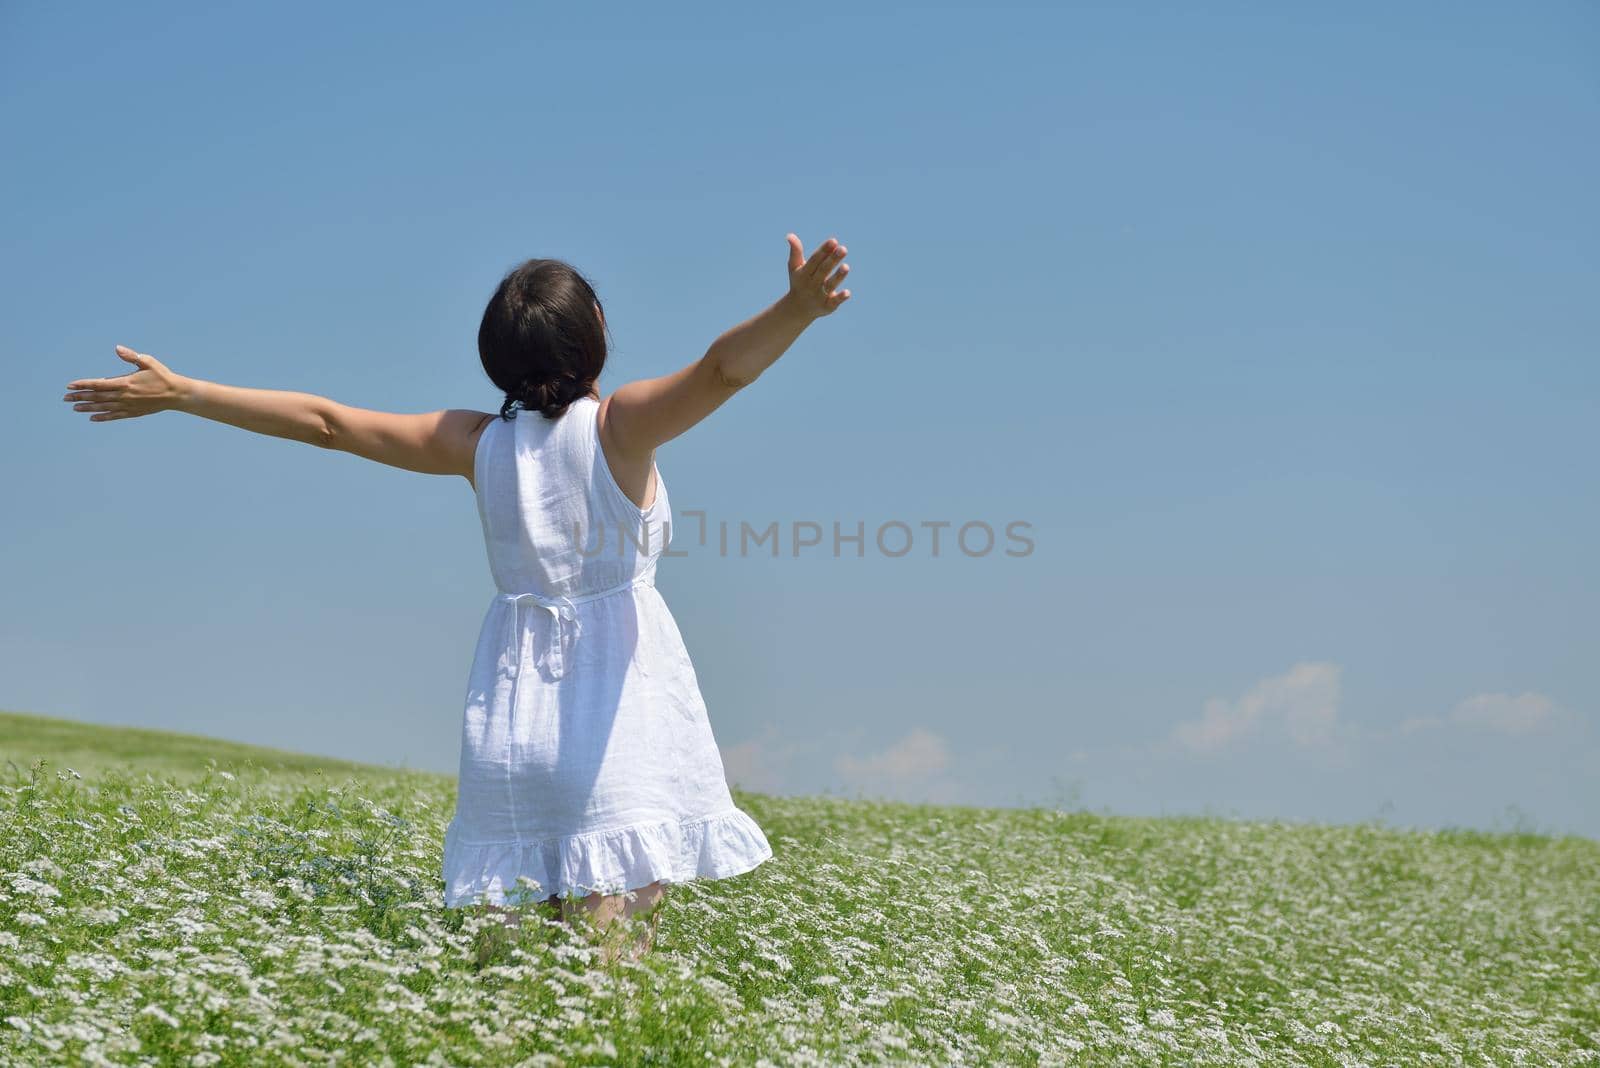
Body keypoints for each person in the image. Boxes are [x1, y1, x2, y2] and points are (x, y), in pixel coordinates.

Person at [62, 233, 853, 965]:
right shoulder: (618, 429)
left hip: (516, 715)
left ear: (495, 359)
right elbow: (720, 370)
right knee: (609, 970)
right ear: (599, 329)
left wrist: (186, 391)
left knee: (510, 972)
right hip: (618, 718)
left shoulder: (479, 445)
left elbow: (329, 424)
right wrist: (796, 311)